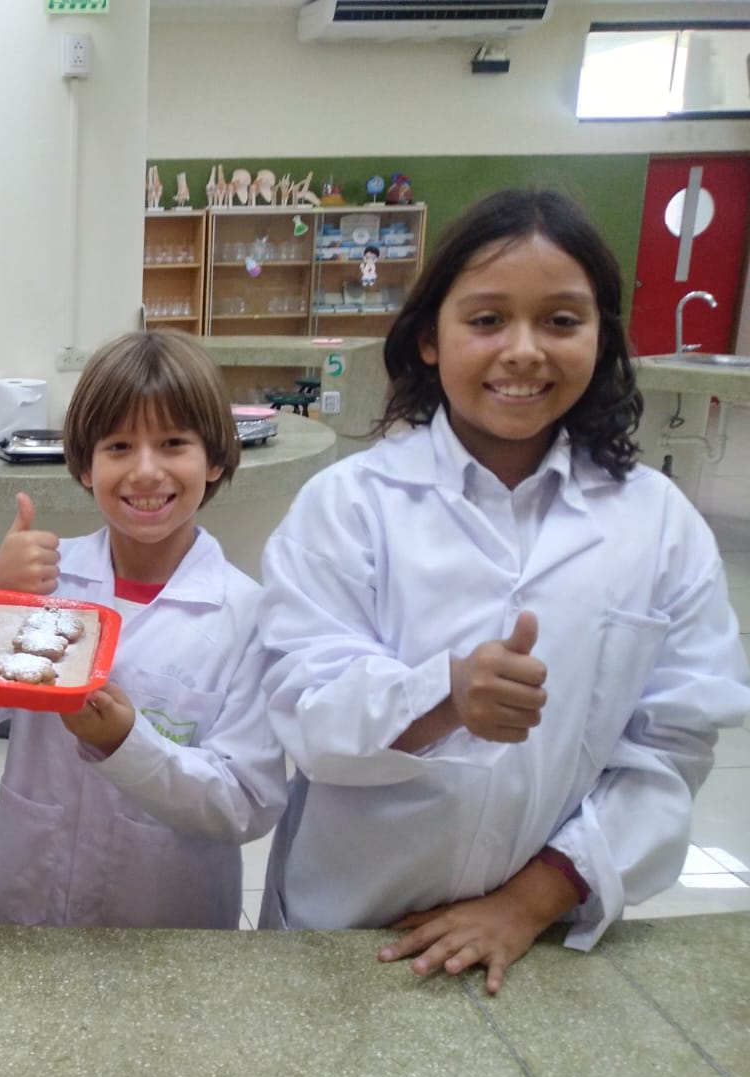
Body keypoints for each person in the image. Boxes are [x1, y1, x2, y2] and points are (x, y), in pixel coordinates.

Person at [258, 189, 750, 992]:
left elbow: (673, 746)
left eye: (561, 321)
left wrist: (530, 902)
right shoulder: (350, 505)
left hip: (542, 941)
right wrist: (444, 698)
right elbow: (306, 710)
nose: (523, 351)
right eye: (486, 321)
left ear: (602, 338)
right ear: (428, 338)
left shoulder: (658, 524)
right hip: (350, 930)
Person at [0, 331, 287, 928]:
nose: (146, 471)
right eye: (119, 445)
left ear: (216, 458)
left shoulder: (248, 617)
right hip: (33, 898)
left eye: (174, 443)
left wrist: (127, 745)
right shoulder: (49, 582)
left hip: (167, 920)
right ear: (83, 464)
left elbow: (246, 805)